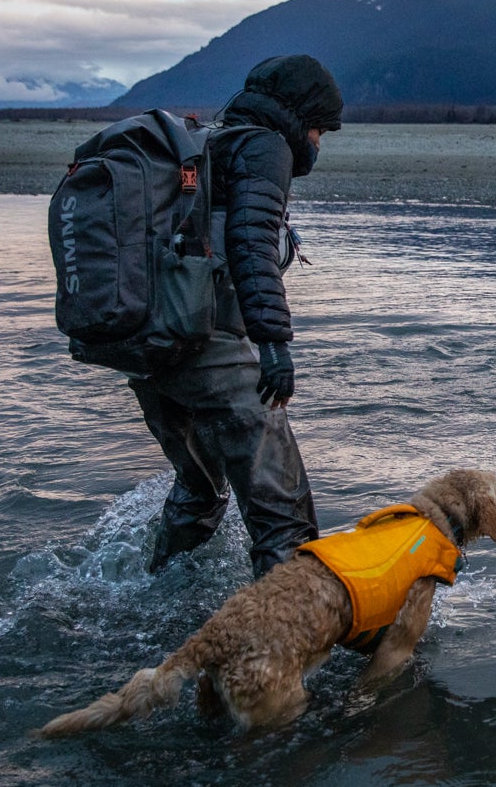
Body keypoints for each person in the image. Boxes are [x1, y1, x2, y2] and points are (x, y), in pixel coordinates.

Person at [134, 54, 342, 578]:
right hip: (206, 347)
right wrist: (275, 346)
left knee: (200, 492)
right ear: (300, 118)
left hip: (151, 351)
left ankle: (154, 602)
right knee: (283, 516)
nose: (319, 142)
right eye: (321, 128)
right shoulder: (265, 146)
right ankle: (290, 643)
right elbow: (250, 245)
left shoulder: (210, 144)